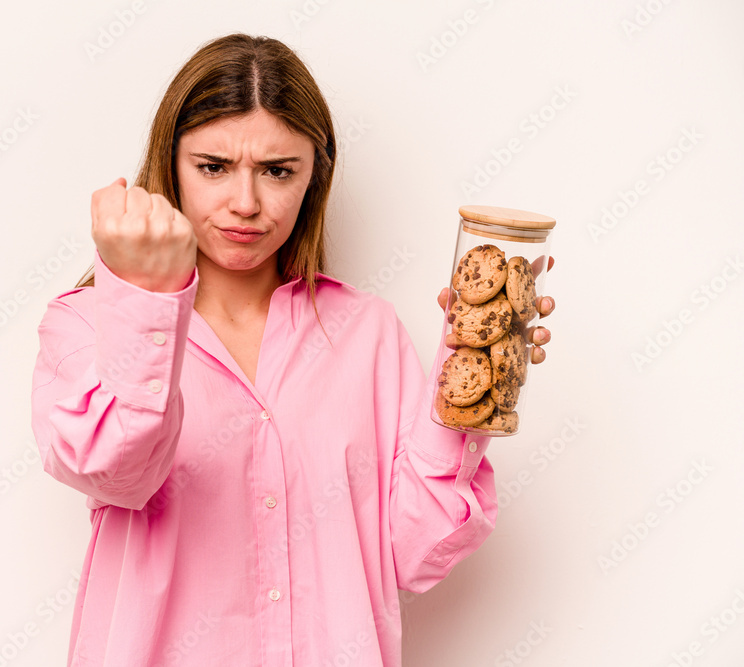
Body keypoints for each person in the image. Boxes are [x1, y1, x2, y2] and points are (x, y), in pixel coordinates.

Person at [30, 32, 555, 666]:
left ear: (315, 176)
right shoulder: (89, 325)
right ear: (170, 165)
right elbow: (118, 472)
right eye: (213, 167)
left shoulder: (368, 333)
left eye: (278, 171)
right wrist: (148, 298)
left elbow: (417, 554)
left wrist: (473, 382)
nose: (246, 204)